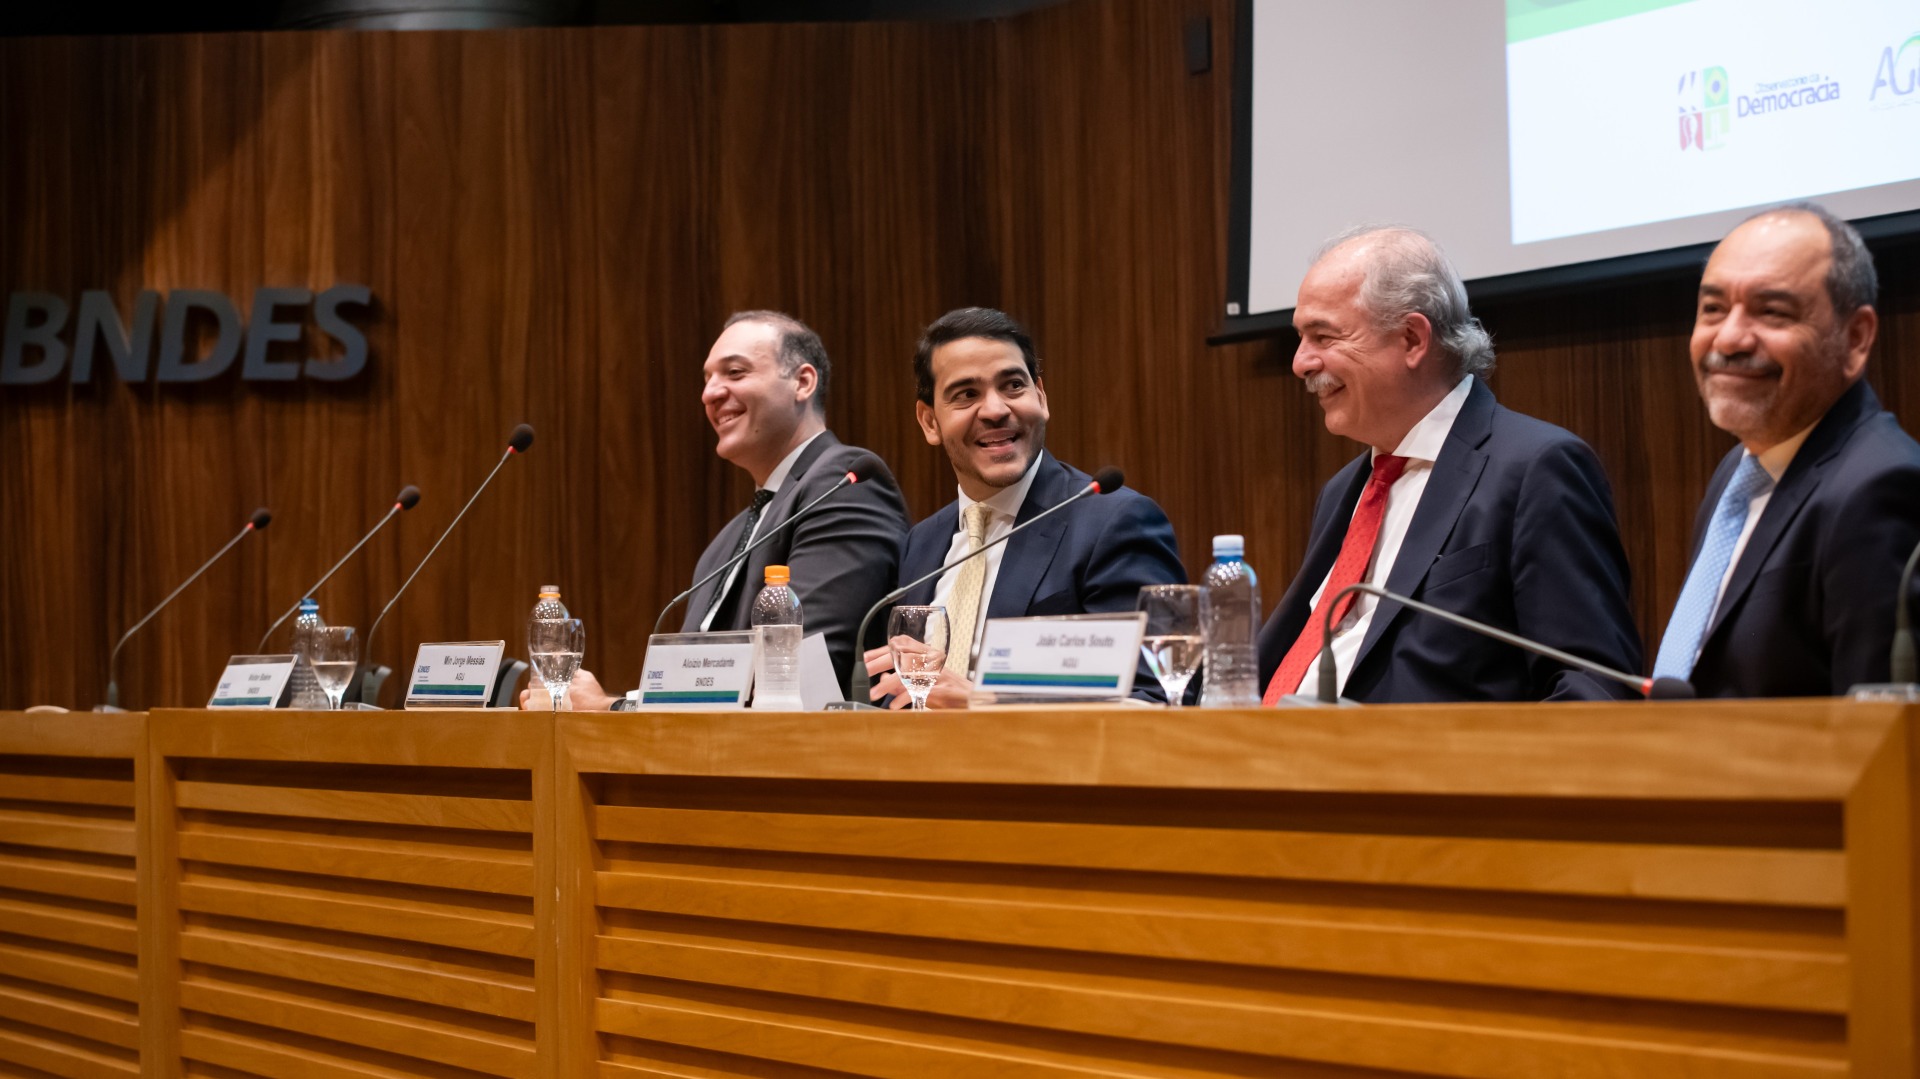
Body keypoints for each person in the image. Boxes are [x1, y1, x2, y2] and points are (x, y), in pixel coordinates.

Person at [1257, 226, 1641, 703]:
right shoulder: (1344, 490)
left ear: (1413, 339)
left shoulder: (1536, 468)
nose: (1301, 363)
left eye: (1323, 336)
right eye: (1300, 338)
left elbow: (1593, 687)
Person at [544, 311, 908, 709]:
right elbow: (688, 685)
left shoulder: (844, 485)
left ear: (802, 383)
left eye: (734, 373)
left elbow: (794, 678)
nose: (710, 393)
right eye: (707, 379)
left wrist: (610, 709)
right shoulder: (730, 538)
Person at [1651, 203, 1920, 697]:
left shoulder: (1879, 488)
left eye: (1771, 311)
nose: (1728, 338)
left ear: (1856, 337)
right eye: (1713, 309)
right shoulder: (1741, 468)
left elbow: (1879, 744)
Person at [865, 307, 1185, 709]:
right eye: (967, 394)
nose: (996, 410)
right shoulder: (921, 544)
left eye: (1013, 385)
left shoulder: (1113, 522)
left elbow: (1156, 700)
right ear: (929, 421)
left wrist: (984, 702)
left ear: (1041, 396)